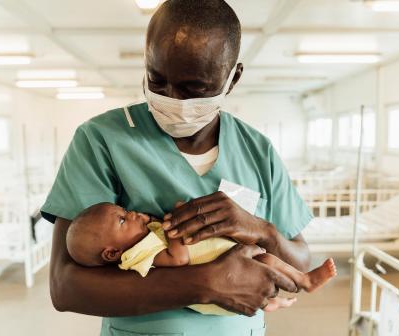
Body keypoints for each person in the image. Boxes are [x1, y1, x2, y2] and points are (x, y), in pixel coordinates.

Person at [41, 1, 316, 335]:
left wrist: (261, 230)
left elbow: (300, 263)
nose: (172, 99)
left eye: (193, 88)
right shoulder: (102, 140)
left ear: (232, 78)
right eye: (157, 81)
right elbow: (66, 286)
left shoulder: (257, 150)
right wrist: (207, 283)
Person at [65, 203, 337, 315]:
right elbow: (178, 258)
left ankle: (294, 285)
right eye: (124, 219)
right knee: (263, 264)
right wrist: (173, 228)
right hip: (219, 282)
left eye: (125, 210)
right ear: (112, 253)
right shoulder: (138, 255)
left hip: (230, 258)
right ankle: (302, 282)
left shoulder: (143, 238)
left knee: (264, 260)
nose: (133, 214)